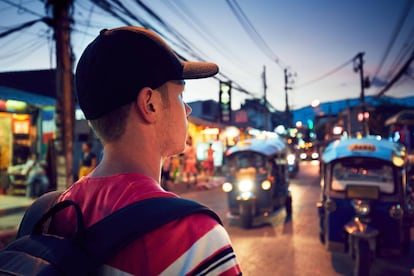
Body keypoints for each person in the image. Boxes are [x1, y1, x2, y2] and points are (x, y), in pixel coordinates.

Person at [50, 26, 242, 275]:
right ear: (149, 104)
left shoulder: (61, 210)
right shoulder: (194, 238)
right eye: (180, 96)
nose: (188, 110)